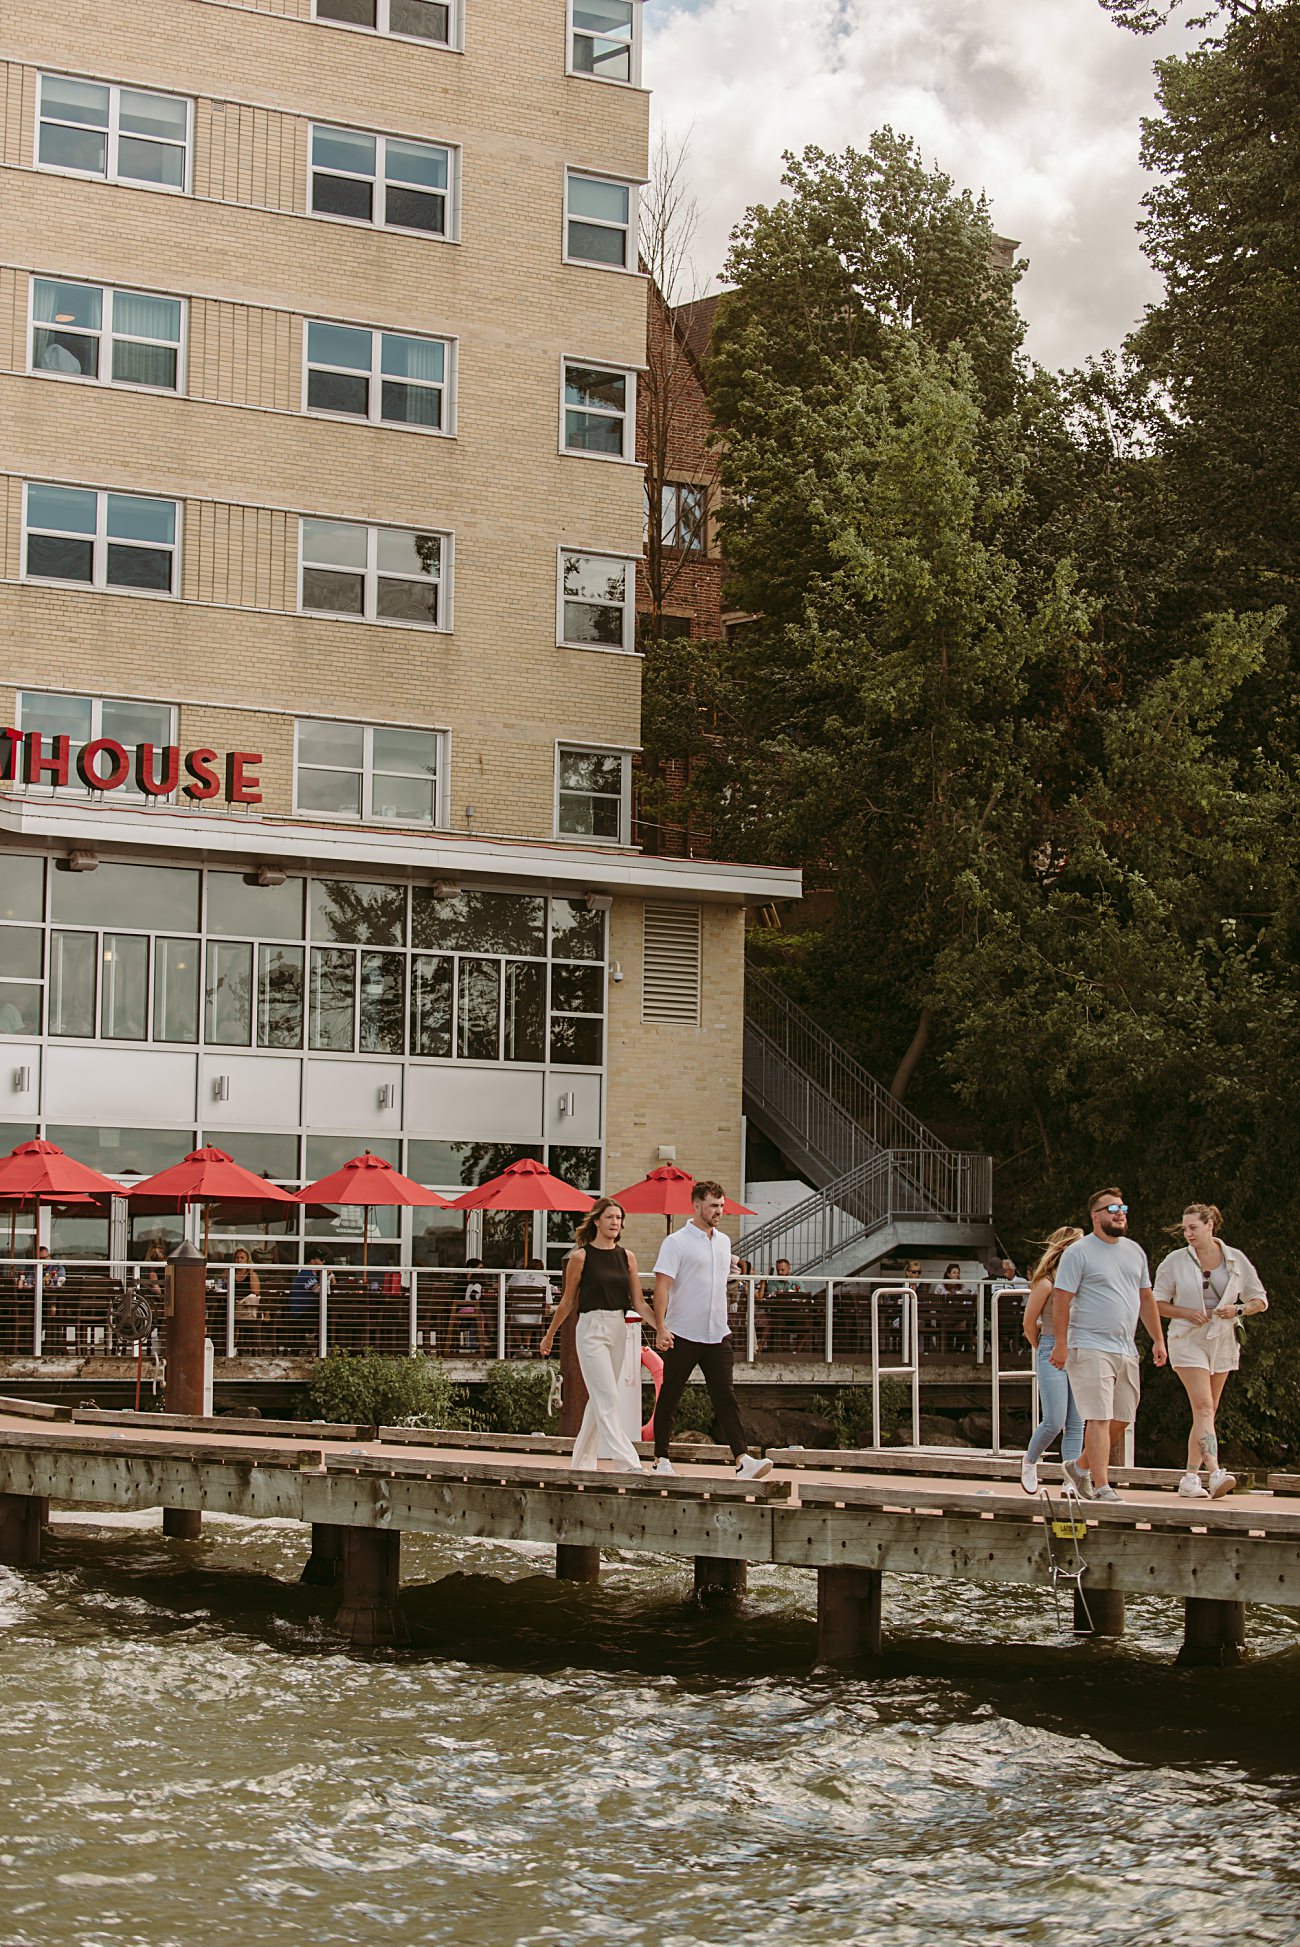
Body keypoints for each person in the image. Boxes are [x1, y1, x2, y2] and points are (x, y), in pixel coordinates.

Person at [649, 1180, 773, 1481]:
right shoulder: (676, 1242)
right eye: (713, 1206)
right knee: (670, 1395)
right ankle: (661, 1457)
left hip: (717, 1332)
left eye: (721, 1205)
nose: (720, 1211)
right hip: (683, 1332)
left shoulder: (723, 1242)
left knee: (725, 1396)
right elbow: (662, 1287)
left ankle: (742, 1459)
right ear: (696, 1205)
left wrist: (732, 1275)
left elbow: (718, 1281)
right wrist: (661, 1327)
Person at [1050, 1187, 1167, 1502]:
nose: (1119, 1213)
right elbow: (1061, 1300)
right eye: (1112, 1208)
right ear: (1095, 1215)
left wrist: (1158, 1338)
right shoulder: (1079, 1252)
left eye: (1122, 1207)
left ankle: (1079, 1466)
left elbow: (1145, 1297)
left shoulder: (1134, 1251)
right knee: (1098, 1417)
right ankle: (1101, 1486)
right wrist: (1060, 1344)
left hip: (1125, 1347)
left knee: (1124, 1416)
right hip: (1088, 1345)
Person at [1153, 1202, 1268, 1500]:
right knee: (1204, 1407)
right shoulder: (1175, 1261)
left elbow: (1259, 1300)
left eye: (1193, 1227)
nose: (1188, 1233)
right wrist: (1186, 1312)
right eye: (1185, 1228)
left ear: (1210, 1226)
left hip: (1222, 1340)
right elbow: (1156, 1302)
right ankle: (1215, 1471)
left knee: (1206, 1413)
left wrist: (1237, 1308)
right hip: (1187, 1339)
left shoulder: (1235, 1259)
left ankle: (1190, 1477)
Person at [539, 1198, 655, 1472]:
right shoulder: (581, 1257)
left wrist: (660, 1326)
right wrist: (550, 1334)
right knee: (608, 1397)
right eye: (610, 1217)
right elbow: (567, 1301)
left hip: (618, 1326)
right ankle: (628, 1461)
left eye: (619, 1218)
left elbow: (639, 1303)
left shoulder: (628, 1257)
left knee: (600, 1397)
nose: (616, 1223)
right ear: (596, 1221)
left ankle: (581, 1463)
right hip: (591, 1328)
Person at [1019, 1226, 1085, 1493]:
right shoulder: (1046, 1281)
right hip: (1051, 1347)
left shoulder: (1084, 1280)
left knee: (1077, 1421)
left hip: (1079, 1349)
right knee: (1055, 1419)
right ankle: (1029, 1460)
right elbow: (1028, 1322)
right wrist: (1042, 1347)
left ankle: (1071, 1479)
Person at [452, 1259, 487, 1355]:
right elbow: (471, 1296)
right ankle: (482, 1337)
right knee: (481, 1316)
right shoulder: (465, 1282)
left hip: (465, 1311)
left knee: (477, 1320)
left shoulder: (472, 1283)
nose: (482, 1271)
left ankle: (475, 1343)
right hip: (463, 1310)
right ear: (471, 1268)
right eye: (480, 1268)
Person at [231, 1246, 261, 1321]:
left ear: (247, 1260)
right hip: (230, 1303)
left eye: (242, 1258)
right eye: (237, 1258)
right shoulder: (230, 1272)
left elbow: (256, 1292)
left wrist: (250, 1273)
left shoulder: (252, 1274)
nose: (239, 1260)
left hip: (245, 1307)